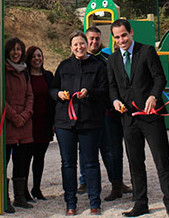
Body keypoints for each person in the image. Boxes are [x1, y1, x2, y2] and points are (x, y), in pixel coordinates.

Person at [107, 19, 169, 218]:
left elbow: (160, 78)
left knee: (161, 160)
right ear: (113, 39)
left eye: (124, 35)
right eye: (117, 37)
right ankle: (141, 203)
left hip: (151, 117)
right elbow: (112, 87)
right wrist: (115, 101)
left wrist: (153, 96)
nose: (121, 40)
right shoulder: (113, 60)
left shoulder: (147, 51)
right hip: (128, 118)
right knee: (135, 162)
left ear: (131, 32)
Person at [50, 31, 109, 216]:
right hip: (65, 123)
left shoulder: (99, 66)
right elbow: (53, 88)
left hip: (90, 122)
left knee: (91, 162)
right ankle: (70, 202)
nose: (79, 47)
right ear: (71, 47)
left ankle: (94, 202)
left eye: (82, 43)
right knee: (68, 163)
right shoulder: (63, 66)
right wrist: (58, 94)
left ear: (87, 44)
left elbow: (104, 90)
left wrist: (89, 92)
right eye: (75, 44)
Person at [84, 26, 132, 201]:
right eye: (91, 39)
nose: (94, 42)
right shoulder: (79, 59)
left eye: (97, 39)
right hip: (87, 113)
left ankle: (116, 183)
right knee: (87, 151)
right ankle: (86, 181)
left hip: (107, 112)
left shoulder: (108, 58)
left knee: (113, 150)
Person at [4, 37, 34, 212]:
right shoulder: (3, 70)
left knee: (21, 161)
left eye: (19, 49)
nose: (16, 52)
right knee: (4, 161)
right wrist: (15, 117)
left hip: (24, 123)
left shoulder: (25, 72)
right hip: (9, 122)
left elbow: (30, 95)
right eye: (13, 49)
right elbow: (0, 98)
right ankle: (4, 197)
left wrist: (26, 114)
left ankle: (20, 197)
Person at [24, 45, 55, 201]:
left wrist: (54, 122)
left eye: (39, 56)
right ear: (29, 59)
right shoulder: (24, 76)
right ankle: (23, 190)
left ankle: (36, 188)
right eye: (34, 56)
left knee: (40, 157)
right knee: (25, 157)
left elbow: (53, 100)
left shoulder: (48, 76)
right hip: (29, 123)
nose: (37, 59)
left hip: (44, 122)